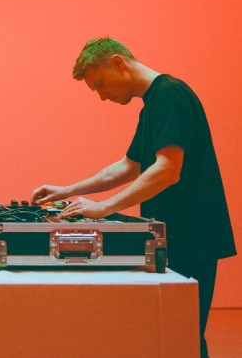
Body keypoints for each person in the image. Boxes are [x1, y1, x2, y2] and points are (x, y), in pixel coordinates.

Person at [32, 37, 236, 358]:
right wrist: (68, 190)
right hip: (175, 238)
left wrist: (103, 207)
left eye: (100, 84)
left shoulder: (170, 96)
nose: (102, 96)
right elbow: (129, 166)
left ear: (118, 63)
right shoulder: (154, 103)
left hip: (192, 239)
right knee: (176, 338)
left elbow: (168, 170)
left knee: (185, 339)